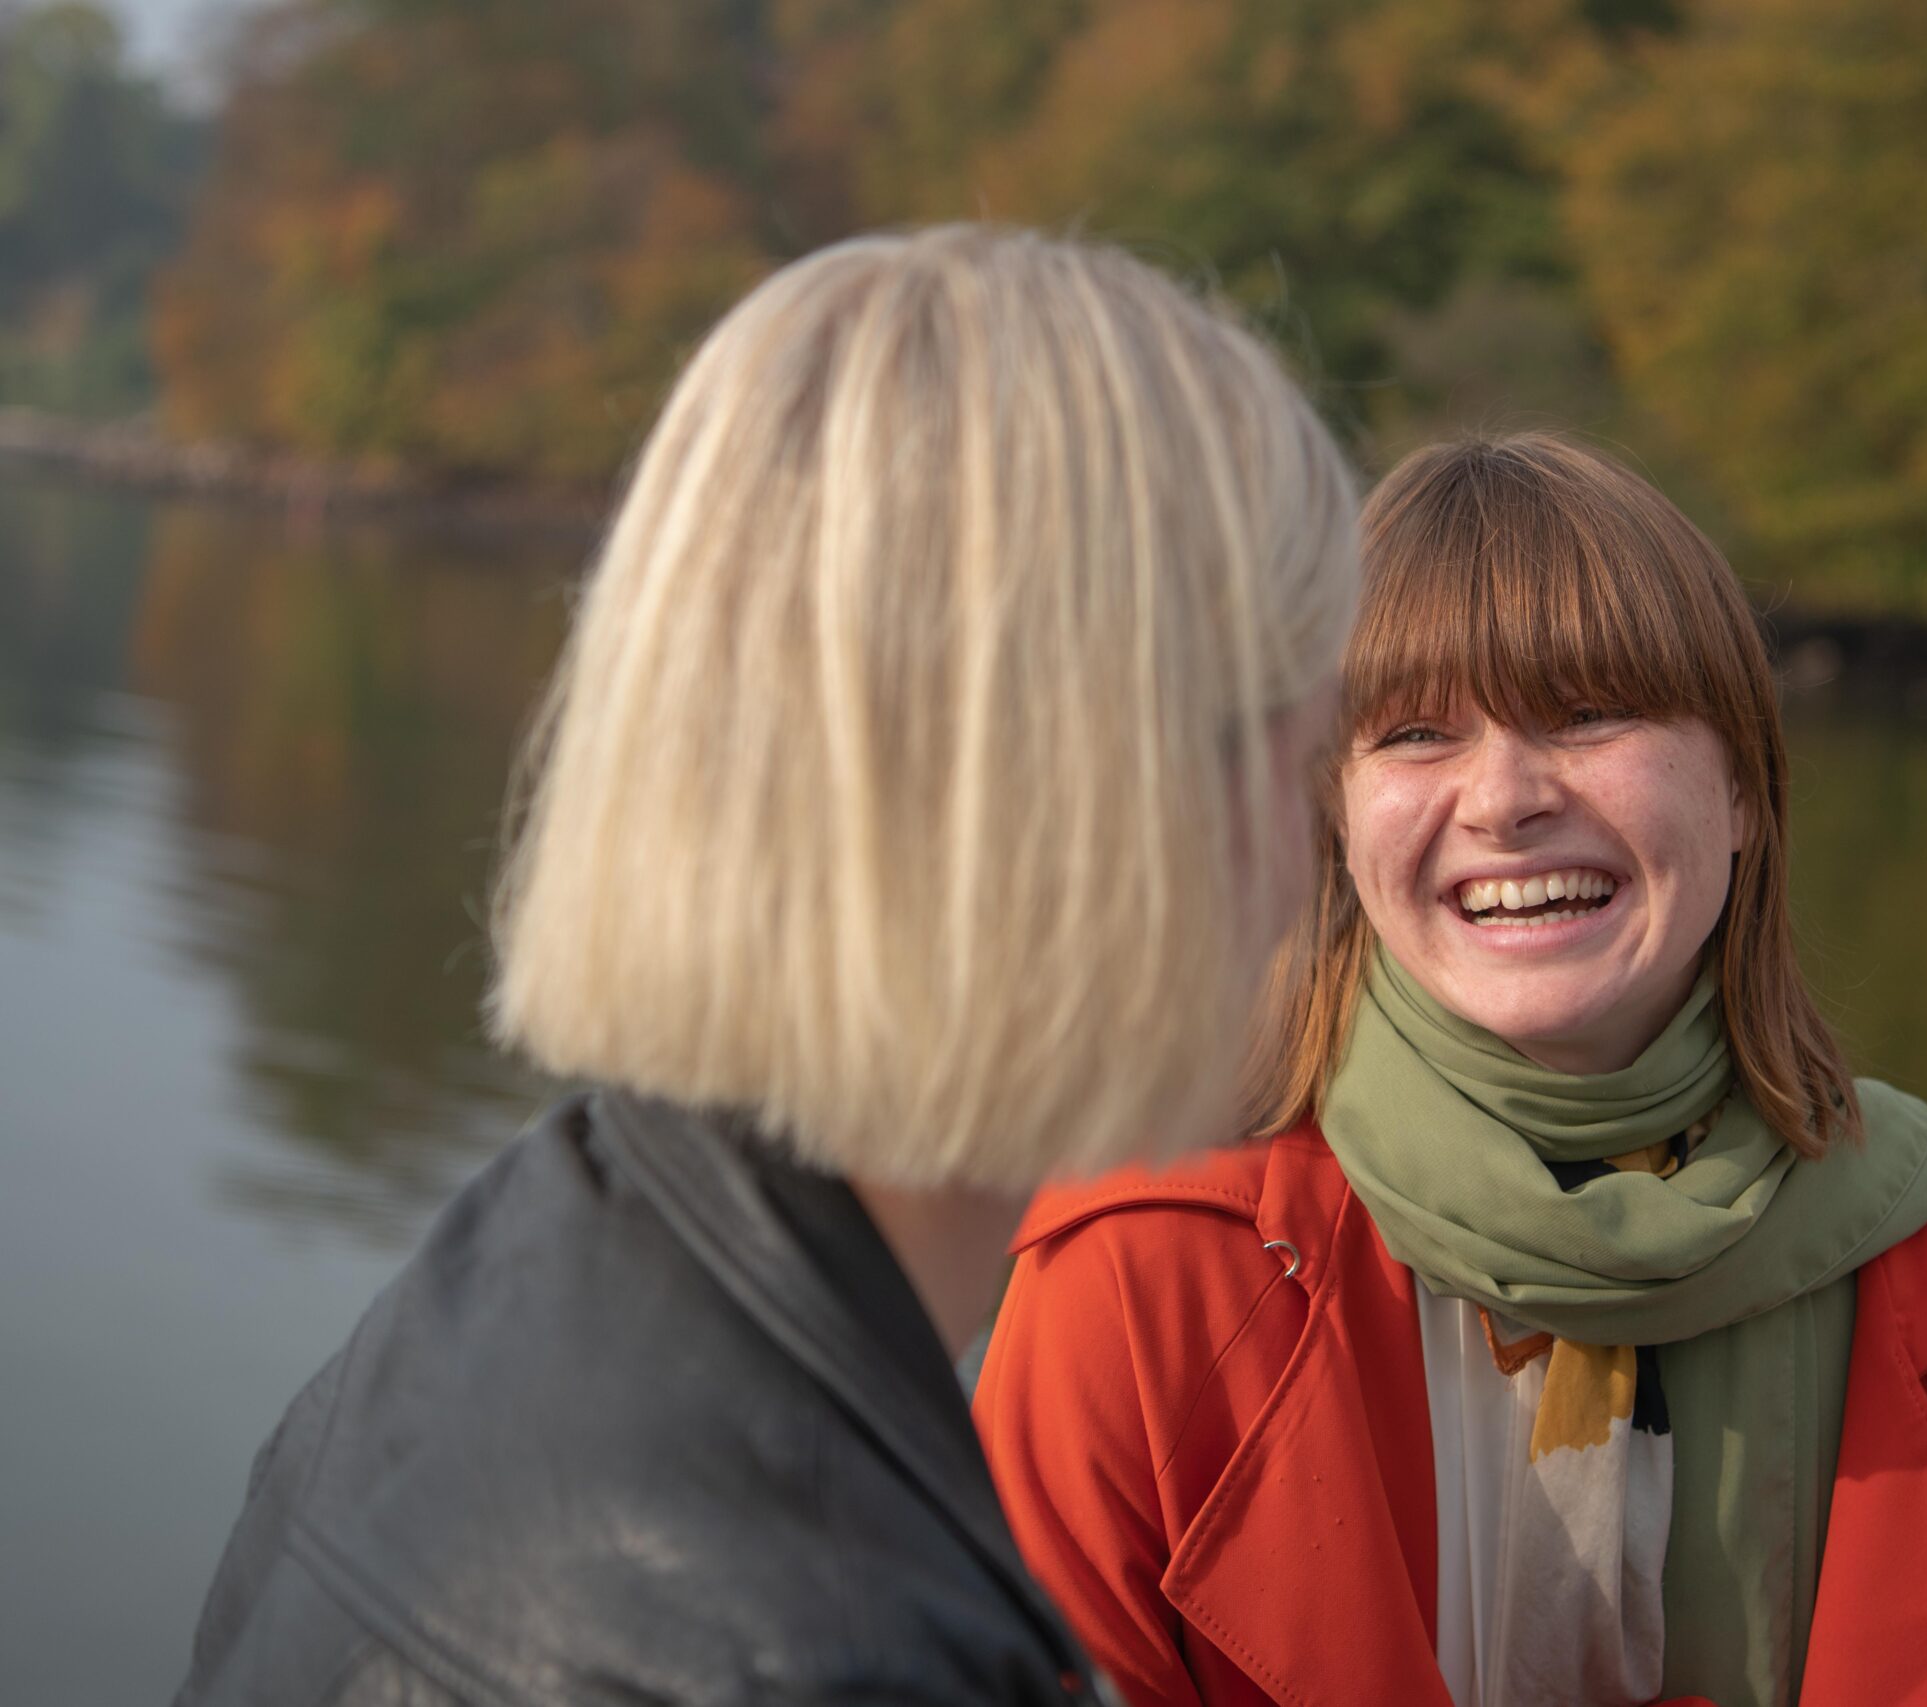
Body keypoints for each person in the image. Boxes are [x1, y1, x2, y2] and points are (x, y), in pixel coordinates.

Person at [174, 225, 1360, 1706]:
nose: (1319, 873)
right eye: (1305, 758)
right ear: (1104, 798)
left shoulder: (524, 1255)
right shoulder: (819, 1651)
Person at [973, 433, 1927, 1707]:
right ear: (1335, 822)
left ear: (1741, 792)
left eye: (1586, 711)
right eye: (1413, 731)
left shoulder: (1893, 1256)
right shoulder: (1147, 1269)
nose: (1504, 797)